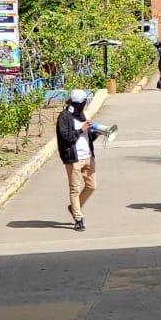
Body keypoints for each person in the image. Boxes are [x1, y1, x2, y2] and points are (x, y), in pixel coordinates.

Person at [56, 89, 98, 231]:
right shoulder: (64, 117)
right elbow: (65, 137)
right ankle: (78, 218)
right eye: (84, 102)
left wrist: (95, 133)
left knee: (91, 185)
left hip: (88, 156)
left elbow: (86, 137)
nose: (85, 104)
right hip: (74, 158)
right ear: (78, 103)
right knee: (75, 188)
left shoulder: (80, 115)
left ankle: (75, 207)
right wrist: (81, 129)